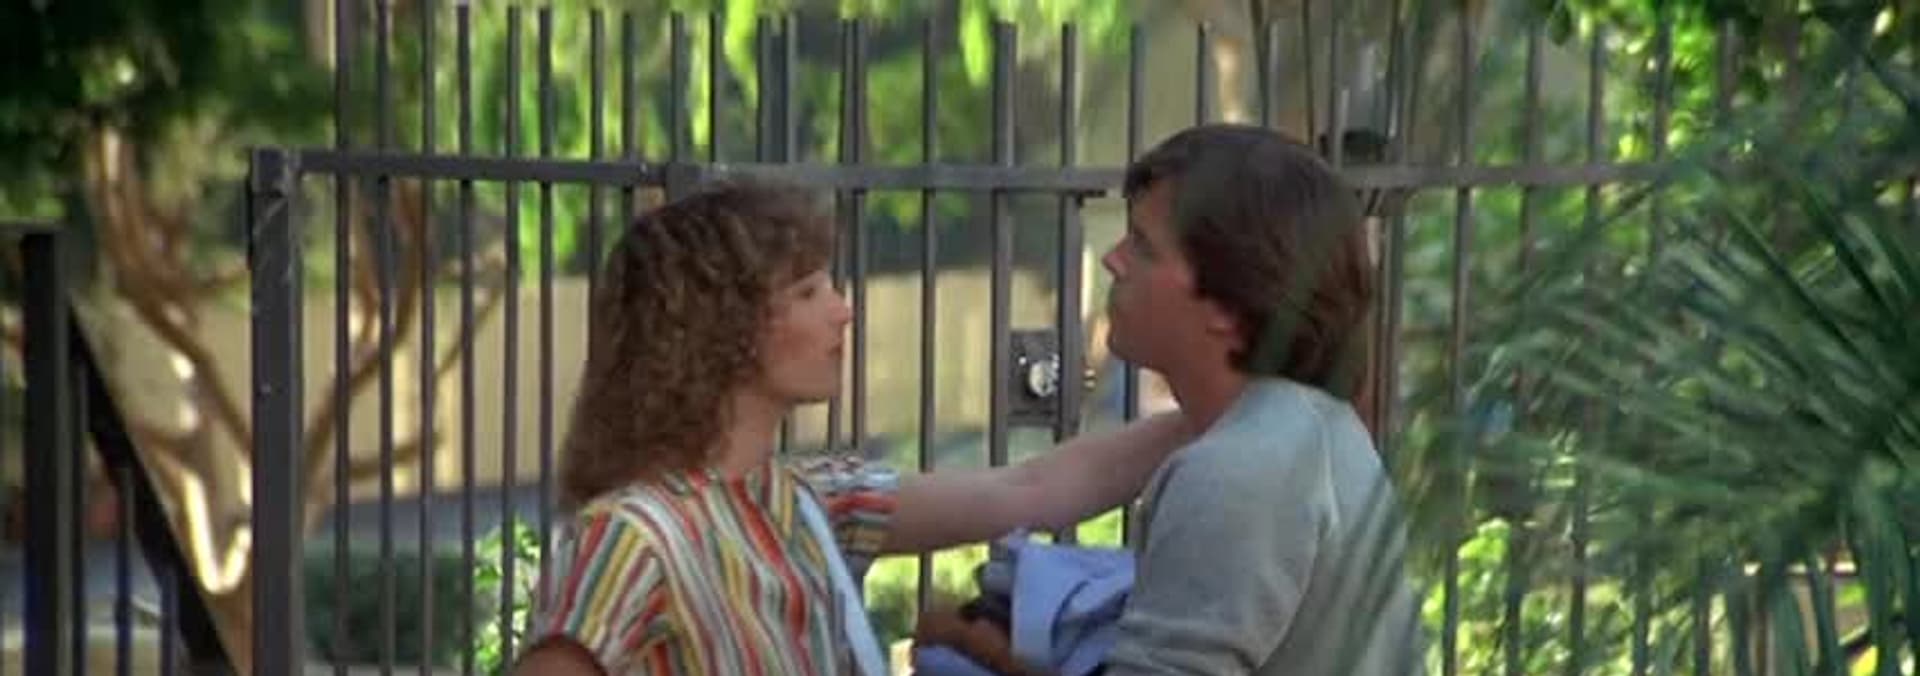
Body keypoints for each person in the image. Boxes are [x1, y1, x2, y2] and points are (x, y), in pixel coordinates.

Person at [511, 181, 1192, 676]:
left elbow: (1028, 489)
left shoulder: (807, 501)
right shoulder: (632, 535)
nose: (843, 311)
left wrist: (1215, 409)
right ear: (723, 329)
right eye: (808, 292)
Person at [1092, 123, 1423, 674]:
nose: (1113, 259)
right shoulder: (1301, 429)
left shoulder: (1243, 466)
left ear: (1228, 303)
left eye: (1143, 248)